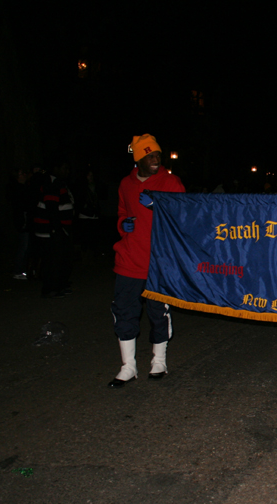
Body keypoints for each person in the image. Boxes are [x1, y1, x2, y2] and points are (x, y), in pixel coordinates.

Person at [109, 134, 185, 388]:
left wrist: (158, 206)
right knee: (124, 310)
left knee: (157, 311)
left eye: (158, 156)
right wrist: (123, 224)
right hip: (129, 258)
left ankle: (159, 361)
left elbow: (184, 216)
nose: (155, 160)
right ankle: (128, 367)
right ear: (138, 159)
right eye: (149, 156)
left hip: (158, 260)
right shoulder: (126, 184)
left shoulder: (171, 182)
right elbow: (121, 212)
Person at [33, 162, 74, 298]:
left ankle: (58, 285)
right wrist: (57, 228)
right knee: (52, 260)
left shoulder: (59, 182)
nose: (67, 171)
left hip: (56, 229)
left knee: (59, 258)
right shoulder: (52, 182)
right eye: (64, 168)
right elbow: (51, 207)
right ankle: (50, 288)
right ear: (56, 168)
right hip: (50, 230)